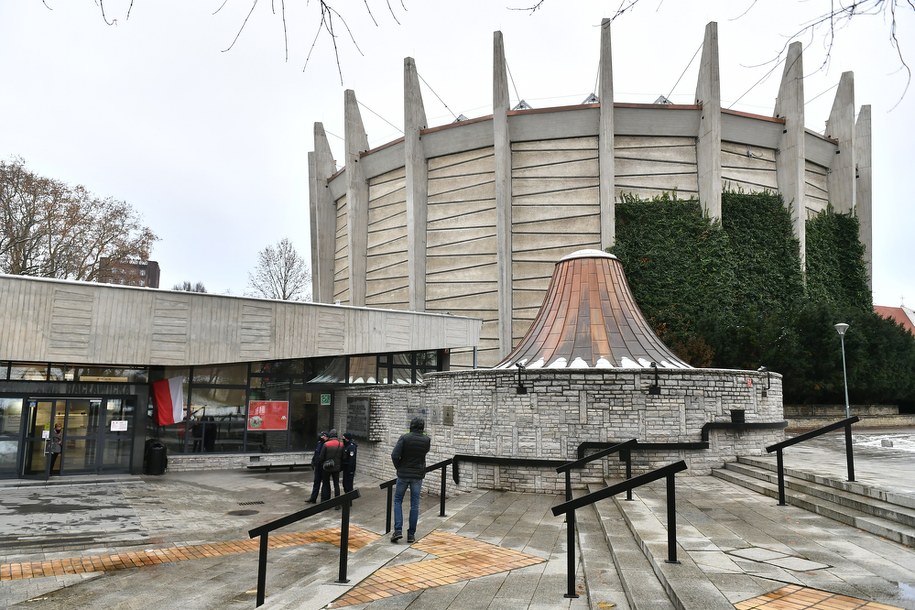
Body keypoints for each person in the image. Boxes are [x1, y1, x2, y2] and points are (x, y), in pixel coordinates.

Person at [390, 417, 431, 544]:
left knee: (397, 501)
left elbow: (394, 455)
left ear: (411, 426)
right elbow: (423, 454)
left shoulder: (405, 437)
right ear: (422, 427)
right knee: (415, 504)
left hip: (403, 474)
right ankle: (411, 534)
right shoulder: (427, 440)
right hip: (418, 475)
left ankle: (398, 530)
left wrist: (399, 467)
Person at [318, 429, 344, 507]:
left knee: (325, 483)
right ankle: (337, 504)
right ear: (336, 435)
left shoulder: (326, 444)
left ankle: (325, 502)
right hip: (336, 468)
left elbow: (321, 457)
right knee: (336, 484)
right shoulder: (341, 444)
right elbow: (343, 457)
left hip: (327, 467)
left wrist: (323, 463)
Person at [306, 431, 328, 503]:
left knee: (324, 483)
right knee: (316, 483)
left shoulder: (327, 444)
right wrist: (313, 461)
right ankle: (313, 498)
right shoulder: (319, 443)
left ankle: (323, 499)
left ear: (325, 436)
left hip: (323, 467)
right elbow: (316, 453)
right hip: (317, 466)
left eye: (322, 436)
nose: (320, 437)